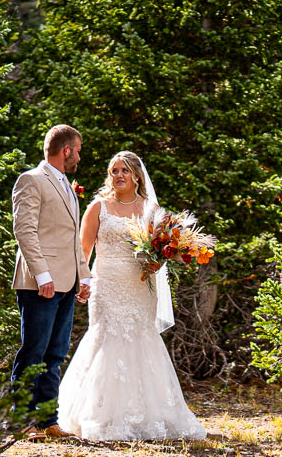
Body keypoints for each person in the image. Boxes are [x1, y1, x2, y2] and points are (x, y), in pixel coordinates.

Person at [57, 151, 206, 441]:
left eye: (124, 170)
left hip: (140, 285)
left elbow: (164, 250)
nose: (119, 176)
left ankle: (147, 415)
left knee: (140, 337)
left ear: (136, 175)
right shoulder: (98, 207)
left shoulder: (152, 209)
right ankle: (99, 414)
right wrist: (83, 281)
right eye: (114, 171)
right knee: (105, 337)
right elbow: (83, 251)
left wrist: (158, 261)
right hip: (107, 284)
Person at [10, 124, 91, 439]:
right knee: (34, 351)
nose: (79, 158)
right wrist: (41, 274)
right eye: (78, 151)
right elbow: (25, 230)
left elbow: (71, 241)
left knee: (55, 354)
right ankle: (22, 422)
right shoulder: (31, 180)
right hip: (40, 283)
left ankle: (47, 421)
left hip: (67, 284)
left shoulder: (67, 186)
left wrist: (83, 277)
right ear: (66, 150)